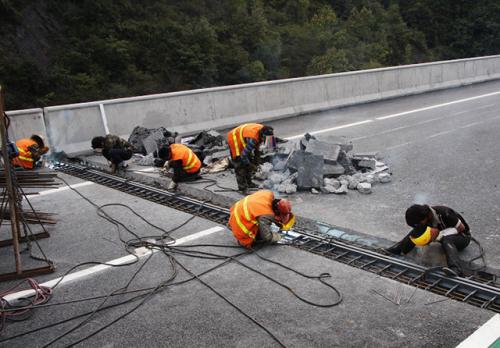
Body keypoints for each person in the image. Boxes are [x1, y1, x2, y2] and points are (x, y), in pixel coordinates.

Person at [385, 204, 471, 276]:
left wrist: (439, 235)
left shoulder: (444, 212)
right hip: (444, 235)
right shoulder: (424, 218)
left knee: (446, 239)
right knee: (414, 233)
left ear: (427, 216)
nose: (419, 224)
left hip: (462, 237)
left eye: (419, 222)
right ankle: (398, 250)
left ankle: (456, 269)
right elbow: (417, 229)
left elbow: (462, 228)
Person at [228, 190, 293, 248]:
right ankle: (244, 239)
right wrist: (278, 237)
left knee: (264, 223)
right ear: (276, 211)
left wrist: (277, 222)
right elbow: (267, 237)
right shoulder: (265, 214)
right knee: (261, 237)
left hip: (236, 211)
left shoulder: (268, 193)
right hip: (240, 226)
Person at [227, 123, 274, 193]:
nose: (268, 141)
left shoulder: (266, 132)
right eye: (266, 139)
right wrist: (251, 165)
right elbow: (243, 155)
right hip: (235, 138)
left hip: (245, 136)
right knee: (240, 164)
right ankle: (242, 188)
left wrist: (257, 161)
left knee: (249, 158)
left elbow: (258, 149)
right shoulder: (253, 139)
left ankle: (249, 183)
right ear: (263, 136)